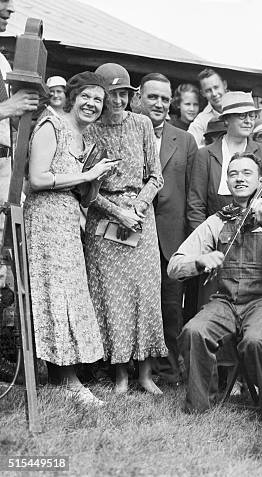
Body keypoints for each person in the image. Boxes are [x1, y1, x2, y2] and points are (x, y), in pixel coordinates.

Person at [169, 152, 262, 414]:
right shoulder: (218, 220)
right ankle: (199, 408)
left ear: (261, 180)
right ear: (226, 181)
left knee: (256, 341)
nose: (239, 179)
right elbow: (174, 266)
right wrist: (201, 261)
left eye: (247, 173)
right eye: (233, 173)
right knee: (194, 331)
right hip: (226, 302)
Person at [24, 72, 115, 405]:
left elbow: (85, 197)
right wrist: (86, 175)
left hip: (68, 222)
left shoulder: (85, 139)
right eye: (86, 97)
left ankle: (63, 378)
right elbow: (37, 177)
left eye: (98, 101)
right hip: (45, 220)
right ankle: (68, 381)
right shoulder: (51, 125)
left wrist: (95, 181)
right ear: (73, 96)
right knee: (55, 295)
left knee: (69, 296)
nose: (91, 104)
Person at [84, 63, 167, 395]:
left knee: (146, 297)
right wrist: (117, 211)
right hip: (104, 220)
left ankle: (145, 375)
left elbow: (156, 176)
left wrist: (138, 207)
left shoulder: (142, 124)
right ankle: (120, 375)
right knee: (112, 298)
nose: (117, 101)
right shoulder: (90, 130)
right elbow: (87, 189)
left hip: (140, 219)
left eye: (123, 94)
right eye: (112, 94)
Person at [138, 73, 198, 387]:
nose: (159, 104)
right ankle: (128, 370)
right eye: (153, 97)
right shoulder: (128, 131)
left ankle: (170, 372)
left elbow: (192, 194)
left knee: (171, 308)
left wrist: (190, 243)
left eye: (165, 98)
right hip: (132, 235)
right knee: (136, 305)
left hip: (172, 239)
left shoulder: (184, 139)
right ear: (139, 98)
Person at [186, 91, 262, 232]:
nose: (248, 121)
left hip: (258, 234)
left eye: (252, 116)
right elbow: (196, 206)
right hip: (215, 235)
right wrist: (204, 240)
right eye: (242, 116)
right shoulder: (205, 155)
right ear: (226, 120)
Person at [0, 0, 40, 287]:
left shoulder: (1, 61)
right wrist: (6, 108)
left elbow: (9, 118)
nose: (9, 10)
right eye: (3, 1)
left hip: (4, 171)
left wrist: (23, 113)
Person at [187, 68, 227, 147]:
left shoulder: (241, 102)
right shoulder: (202, 120)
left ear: (224, 85)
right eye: (208, 90)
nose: (214, 94)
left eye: (216, 87)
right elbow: (188, 146)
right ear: (203, 93)